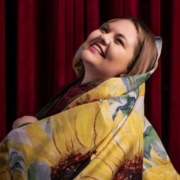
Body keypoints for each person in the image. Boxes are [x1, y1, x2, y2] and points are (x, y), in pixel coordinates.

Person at [0, 17, 179, 180]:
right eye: (104, 29)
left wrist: (23, 129)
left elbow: (38, 163)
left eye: (119, 41)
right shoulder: (78, 93)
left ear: (129, 71)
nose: (104, 37)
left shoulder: (107, 112)